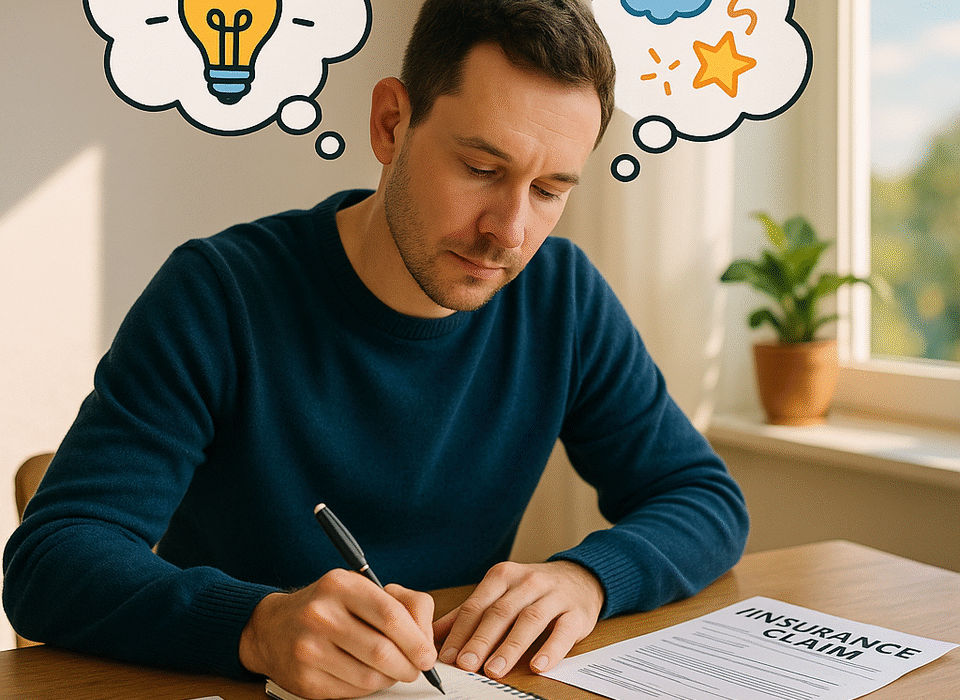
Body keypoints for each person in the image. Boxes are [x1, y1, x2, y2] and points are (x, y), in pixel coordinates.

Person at [3, 0, 749, 698]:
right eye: (481, 170)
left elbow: (702, 497)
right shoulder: (218, 294)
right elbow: (51, 560)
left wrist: (590, 579)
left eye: (550, 190)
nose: (510, 231)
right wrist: (257, 627)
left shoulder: (562, 297)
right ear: (391, 123)